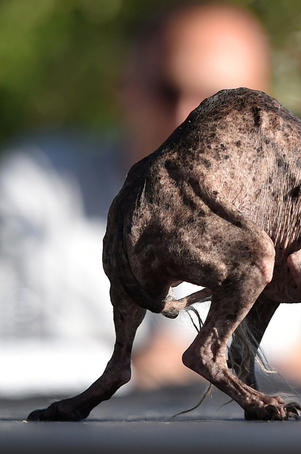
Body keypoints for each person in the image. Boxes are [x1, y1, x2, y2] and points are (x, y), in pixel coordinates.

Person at [0, 2, 273, 395]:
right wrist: (142, 367)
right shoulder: (36, 187)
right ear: (124, 88)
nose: (187, 116)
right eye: (167, 90)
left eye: (217, 102)